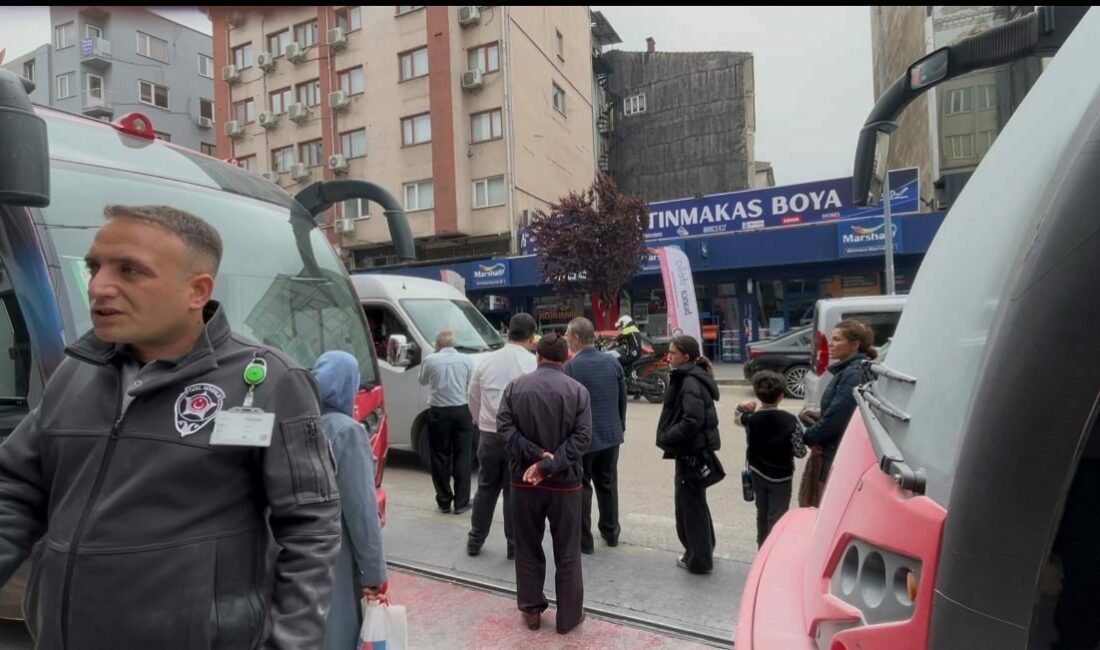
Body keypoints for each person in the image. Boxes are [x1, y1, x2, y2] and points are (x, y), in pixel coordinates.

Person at [0, 205, 341, 648]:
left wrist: (291, 643)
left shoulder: (271, 381)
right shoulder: (74, 372)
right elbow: (16, 491)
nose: (100, 286)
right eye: (94, 267)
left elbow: (311, 529)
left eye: (129, 271)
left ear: (196, 291)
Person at [501, 333, 592, 634]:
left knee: (527, 546)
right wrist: (549, 464)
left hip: (524, 482)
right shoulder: (578, 391)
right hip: (565, 484)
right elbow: (581, 439)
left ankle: (531, 610)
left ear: (537, 356)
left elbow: (505, 428)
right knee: (567, 550)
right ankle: (568, 617)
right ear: (567, 358)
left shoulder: (515, 388)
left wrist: (536, 458)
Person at [314, 351, 388, 650]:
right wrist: (374, 574)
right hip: (337, 555)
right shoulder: (346, 430)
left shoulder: (297, 422)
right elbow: (361, 511)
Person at [467, 312, 538, 558]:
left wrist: (481, 421)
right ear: (531, 337)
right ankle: (513, 546)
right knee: (513, 491)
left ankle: (475, 540)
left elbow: (473, 396)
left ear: (508, 331)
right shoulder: (532, 363)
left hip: (488, 434)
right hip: (518, 438)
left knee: (485, 488)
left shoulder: (486, 361)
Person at [656, 335, 721, 575]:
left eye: (673, 353)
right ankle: (702, 550)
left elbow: (692, 420)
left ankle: (700, 560)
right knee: (694, 505)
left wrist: (667, 436)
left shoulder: (690, 381)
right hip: (692, 452)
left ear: (685, 355)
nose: (669, 356)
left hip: (691, 453)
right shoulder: (691, 376)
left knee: (690, 508)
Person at [564, 316, 627, 554]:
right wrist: (620, 427)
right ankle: (611, 532)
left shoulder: (570, 367)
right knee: (608, 484)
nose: (567, 339)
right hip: (611, 436)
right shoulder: (612, 363)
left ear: (577, 338)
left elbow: (567, 407)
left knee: (582, 487)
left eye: (568, 335)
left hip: (583, 439)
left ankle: (584, 541)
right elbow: (622, 400)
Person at [800, 319, 876, 504]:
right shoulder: (848, 370)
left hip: (838, 452)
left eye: (837, 340)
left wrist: (808, 436)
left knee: (830, 504)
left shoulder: (853, 373)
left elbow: (838, 418)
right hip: (837, 448)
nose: (831, 344)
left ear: (855, 345)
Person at [735, 370, 807, 547]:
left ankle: (762, 548)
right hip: (782, 477)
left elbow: (737, 418)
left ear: (758, 395)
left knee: (762, 513)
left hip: (758, 473)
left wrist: (741, 406)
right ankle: (774, 552)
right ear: (781, 396)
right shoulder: (790, 420)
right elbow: (800, 452)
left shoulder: (751, 419)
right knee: (778, 517)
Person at [419, 330, 477, 514]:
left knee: (439, 455)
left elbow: (422, 381)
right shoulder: (467, 360)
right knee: (463, 455)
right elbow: (471, 384)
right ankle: (461, 502)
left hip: (438, 412)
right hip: (462, 410)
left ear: (437, 345)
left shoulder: (430, 360)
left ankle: (444, 501)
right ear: (454, 344)